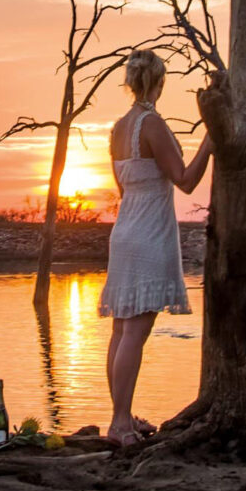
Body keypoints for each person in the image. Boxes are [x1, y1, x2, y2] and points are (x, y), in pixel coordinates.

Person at [98, 48, 211, 445]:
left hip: (125, 229)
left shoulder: (117, 128)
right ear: (160, 83)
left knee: (121, 329)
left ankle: (122, 416)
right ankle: (119, 422)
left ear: (130, 82)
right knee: (135, 331)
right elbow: (185, 180)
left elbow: (124, 185)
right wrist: (210, 141)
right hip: (149, 233)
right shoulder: (153, 124)